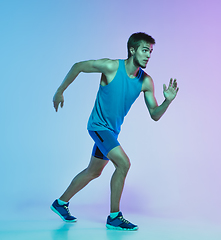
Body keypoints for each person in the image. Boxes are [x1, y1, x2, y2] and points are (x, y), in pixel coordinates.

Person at [51, 32, 179, 231]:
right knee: (124, 163)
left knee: (93, 171)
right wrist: (60, 91)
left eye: (151, 52)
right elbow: (78, 66)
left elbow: (154, 114)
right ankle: (114, 216)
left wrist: (167, 101)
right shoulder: (111, 67)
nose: (148, 56)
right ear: (132, 50)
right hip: (98, 127)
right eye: (145, 50)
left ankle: (60, 203)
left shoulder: (146, 81)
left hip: (112, 131)